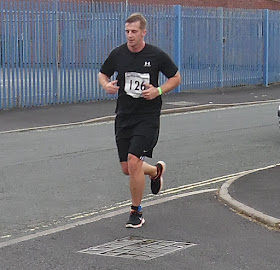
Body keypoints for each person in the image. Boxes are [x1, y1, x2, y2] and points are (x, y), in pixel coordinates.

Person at [98, 12, 181, 228]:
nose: (130, 35)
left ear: (144, 32)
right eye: (127, 31)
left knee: (134, 162)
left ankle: (136, 212)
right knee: (128, 169)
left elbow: (176, 77)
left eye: (134, 31)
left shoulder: (156, 55)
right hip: (124, 116)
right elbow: (102, 74)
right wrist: (105, 85)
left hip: (148, 116)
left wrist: (159, 90)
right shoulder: (118, 54)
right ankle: (155, 172)